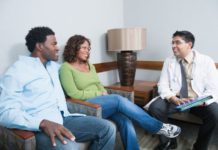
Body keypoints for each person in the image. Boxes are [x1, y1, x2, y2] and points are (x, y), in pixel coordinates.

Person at [0, 27, 116, 150]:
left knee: (108, 128)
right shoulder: (17, 71)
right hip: (39, 128)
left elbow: (75, 76)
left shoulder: (55, 68)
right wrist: (42, 123)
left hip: (64, 118)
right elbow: (5, 113)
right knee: (70, 148)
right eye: (53, 44)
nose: (57, 47)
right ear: (40, 46)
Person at [59, 34, 181, 150]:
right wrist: (98, 94)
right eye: (84, 48)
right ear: (74, 48)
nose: (87, 51)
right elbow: (73, 94)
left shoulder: (90, 66)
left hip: (101, 102)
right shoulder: (66, 68)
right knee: (117, 99)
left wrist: (103, 92)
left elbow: (98, 84)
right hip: (84, 105)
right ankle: (158, 127)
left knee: (124, 119)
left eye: (88, 48)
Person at [147, 31, 218, 150]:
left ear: (189, 45)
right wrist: (173, 98)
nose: (173, 46)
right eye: (172, 43)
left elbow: (214, 88)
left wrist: (201, 101)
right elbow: (163, 85)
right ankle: (169, 142)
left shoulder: (207, 61)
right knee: (156, 107)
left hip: (198, 100)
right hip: (177, 99)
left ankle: (200, 147)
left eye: (177, 42)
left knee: (215, 114)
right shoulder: (169, 61)